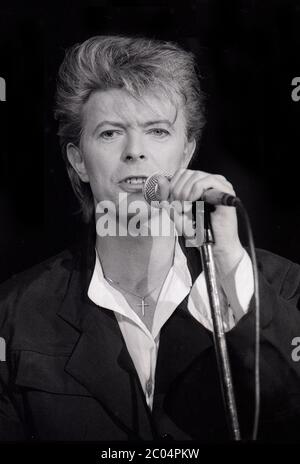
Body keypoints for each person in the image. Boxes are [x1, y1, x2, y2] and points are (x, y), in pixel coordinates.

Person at [0, 35, 300, 442]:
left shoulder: (283, 285)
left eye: (157, 131)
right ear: (78, 161)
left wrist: (229, 262)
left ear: (187, 152)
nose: (135, 152)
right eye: (110, 133)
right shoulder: (15, 318)